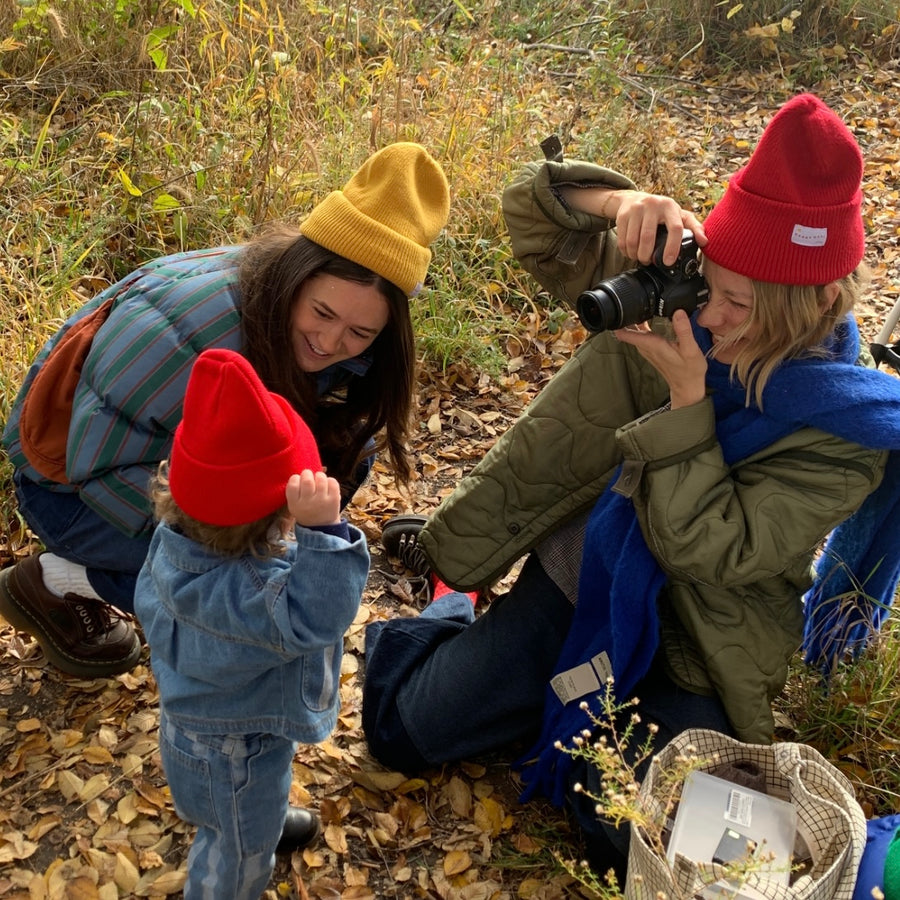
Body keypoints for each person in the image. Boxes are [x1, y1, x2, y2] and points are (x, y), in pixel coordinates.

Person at [361, 93, 900, 876]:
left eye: (738, 304)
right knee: (405, 734)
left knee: (685, 853)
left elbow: (714, 551)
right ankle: (463, 627)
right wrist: (619, 202)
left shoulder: (846, 430)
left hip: (693, 641)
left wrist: (687, 404)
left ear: (814, 303)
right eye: (708, 285)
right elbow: (529, 212)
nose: (707, 315)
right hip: (573, 582)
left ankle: (554, 718)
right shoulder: (687, 286)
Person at [0, 142, 449, 678]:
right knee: (234, 584)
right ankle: (59, 578)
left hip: (156, 463)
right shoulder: (196, 334)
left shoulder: (284, 309)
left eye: (360, 333)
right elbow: (92, 464)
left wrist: (270, 526)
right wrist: (246, 536)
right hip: (72, 492)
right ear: (298, 276)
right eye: (322, 313)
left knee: (354, 451)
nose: (330, 343)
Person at [133, 347, 369, 899]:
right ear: (272, 521)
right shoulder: (255, 594)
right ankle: (238, 850)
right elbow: (317, 617)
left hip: (194, 718)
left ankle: (246, 818)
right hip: (237, 744)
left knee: (227, 806)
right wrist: (325, 532)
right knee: (235, 853)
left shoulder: (174, 544)